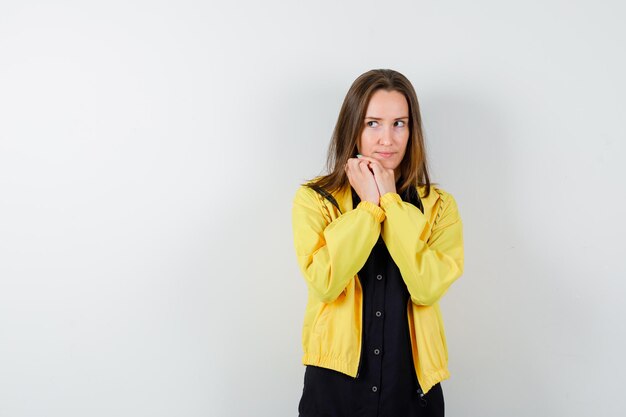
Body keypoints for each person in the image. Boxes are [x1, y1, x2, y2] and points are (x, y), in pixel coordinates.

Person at [291, 69, 464, 417]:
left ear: (412, 130)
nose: (388, 139)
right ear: (353, 127)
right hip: (334, 388)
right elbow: (325, 282)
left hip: (413, 392)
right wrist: (368, 210)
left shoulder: (439, 206)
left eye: (399, 123)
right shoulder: (316, 199)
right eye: (373, 123)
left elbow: (427, 287)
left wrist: (390, 204)